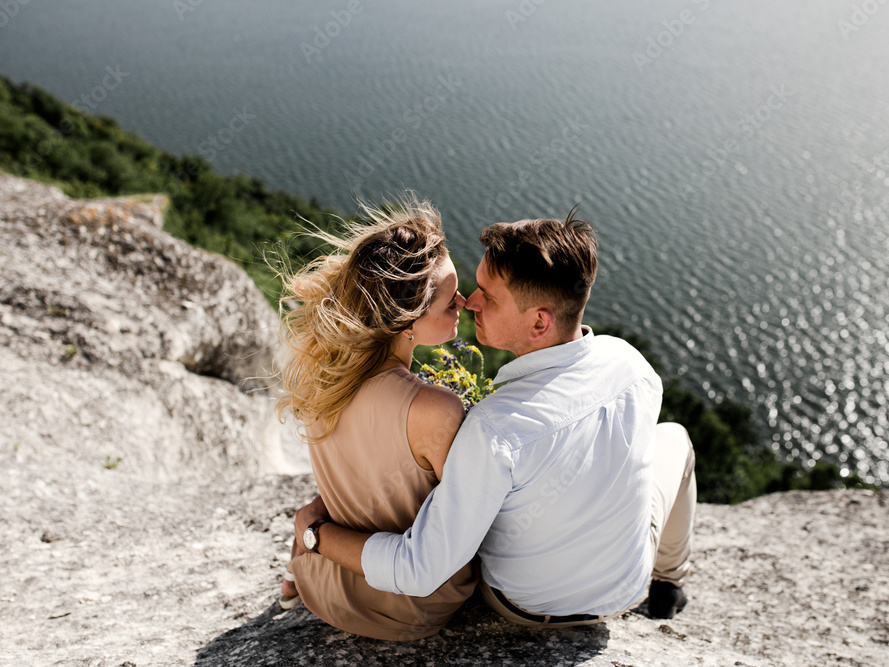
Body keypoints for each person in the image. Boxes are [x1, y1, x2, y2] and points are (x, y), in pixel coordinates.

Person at [289, 208, 697, 628]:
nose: (471, 302)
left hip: (522, 604)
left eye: (489, 295)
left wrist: (317, 534)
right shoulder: (634, 366)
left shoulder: (493, 429)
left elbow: (420, 567)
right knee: (675, 438)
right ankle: (670, 582)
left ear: (539, 321)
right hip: (626, 587)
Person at [275, 197, 477, 640]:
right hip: (408, 607)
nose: (463, 301)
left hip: (324, 586)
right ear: (407, 321)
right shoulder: (434, 408)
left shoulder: (323, 379)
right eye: (448, 300)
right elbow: (470, 522)